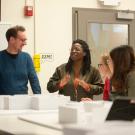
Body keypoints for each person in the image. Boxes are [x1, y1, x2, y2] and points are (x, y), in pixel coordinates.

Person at [0, 25, 41, 95]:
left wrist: (38, 99)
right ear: (12, 39)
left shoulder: (27, 58)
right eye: (22, 40)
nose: (25, 43)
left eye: (25, 40)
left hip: (22, 101)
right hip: (3, 102)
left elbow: (34, 81)